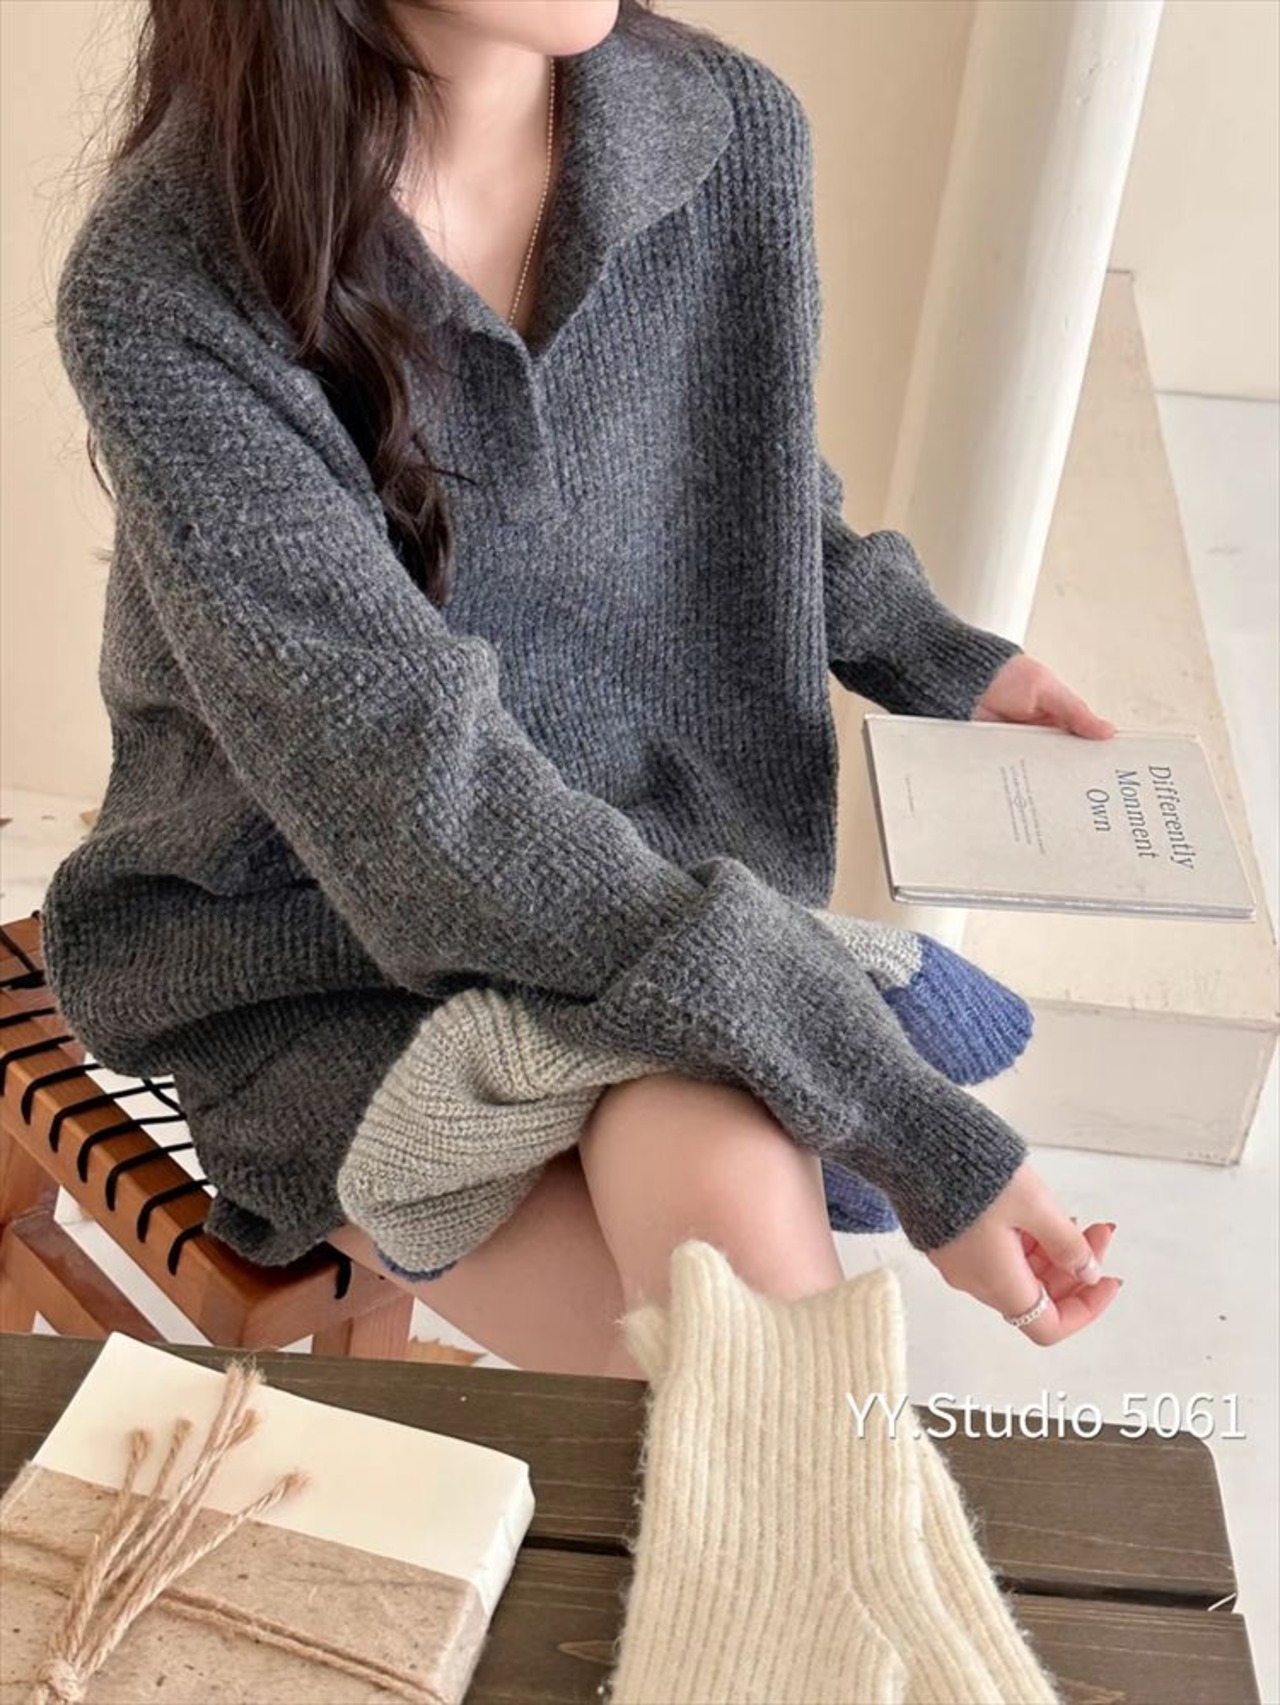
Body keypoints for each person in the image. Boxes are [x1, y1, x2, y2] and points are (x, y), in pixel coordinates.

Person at [44, 0, 1121, 1378]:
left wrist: (936, 653)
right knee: (725, 1388)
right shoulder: (171, 279)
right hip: (314, 932)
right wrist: (914, 1130)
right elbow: (409, 790)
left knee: (742, 1371)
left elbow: (742, 482)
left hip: (653, 883)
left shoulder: (722, 132)